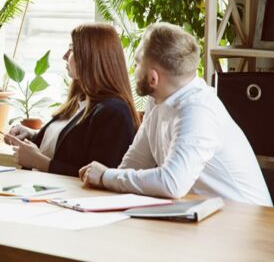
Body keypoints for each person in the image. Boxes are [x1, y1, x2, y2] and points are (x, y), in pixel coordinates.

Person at [79, 23, 273, 206]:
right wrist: (108, 181)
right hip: (203, 218)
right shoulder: (158, 100)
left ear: (153, 77)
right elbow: (135, 164)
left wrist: (106, 176)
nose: (134, 70)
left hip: (246, 228)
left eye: (138, 63)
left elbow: (172, 183)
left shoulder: (198, 110)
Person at [4, 23, 139, 177]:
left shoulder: (115, 113)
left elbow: (102, 178)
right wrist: (32, 135)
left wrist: (39, 162)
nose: (64, 56)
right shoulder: (79, 101)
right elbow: (70, 147)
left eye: (72, 49)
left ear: (91, 57)